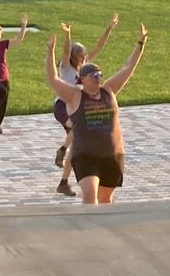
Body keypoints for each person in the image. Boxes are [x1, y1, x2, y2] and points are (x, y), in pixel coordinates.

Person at [46, 23, 149, 205]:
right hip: (85, 155)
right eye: (93, 75)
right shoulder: (75, 95)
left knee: (106, 199)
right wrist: (50, 52)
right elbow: (53, 79)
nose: (98, 77)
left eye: (99, 74)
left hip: (112, 154)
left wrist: (140, 44)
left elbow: (128, 67)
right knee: (89, 194)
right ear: (83, 78)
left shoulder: (109, 90)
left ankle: (103, 232)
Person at [51, 14, 119, 195]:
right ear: (74, 56)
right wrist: (67, 35)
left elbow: (99, 47)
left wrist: (109, 28)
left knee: (77, 143)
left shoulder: (85, 68)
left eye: (84, 56)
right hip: (63, 106)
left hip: (78, 107)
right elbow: (65, 52)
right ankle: (63, 149)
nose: (83, 59)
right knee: (77, 130)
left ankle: (64, 180)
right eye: (80, 56)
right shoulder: (66, 66)